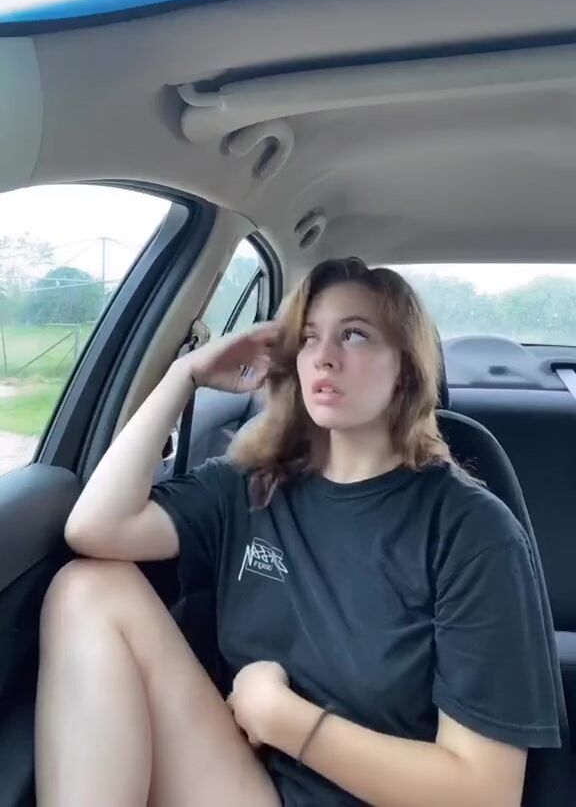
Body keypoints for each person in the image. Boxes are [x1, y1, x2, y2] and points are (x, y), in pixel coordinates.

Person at [35, 257, 561, 807]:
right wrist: (183, 375)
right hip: (252, 790)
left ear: (406, 368)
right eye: (309, 338)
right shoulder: (252, 484)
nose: (325, 356)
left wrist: (285, 720)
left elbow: (484, 793)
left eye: (354, 334)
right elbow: (96, 527)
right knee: (89, 589)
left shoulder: (473, 532)